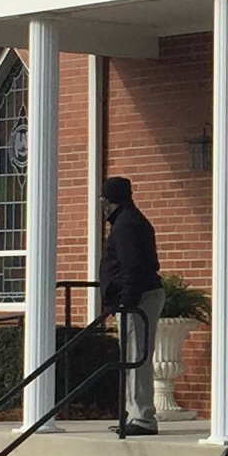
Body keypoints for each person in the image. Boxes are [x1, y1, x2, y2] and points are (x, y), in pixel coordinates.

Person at [98, 177, 162, 437]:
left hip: (139, 299)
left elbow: (132, 267)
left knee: (136, 357)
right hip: (140, 297)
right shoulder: (129, 220)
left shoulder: (126, 225)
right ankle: (134, 413)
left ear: (108, 201)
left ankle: (142, 417)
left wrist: (126, 300)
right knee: (132, 357)